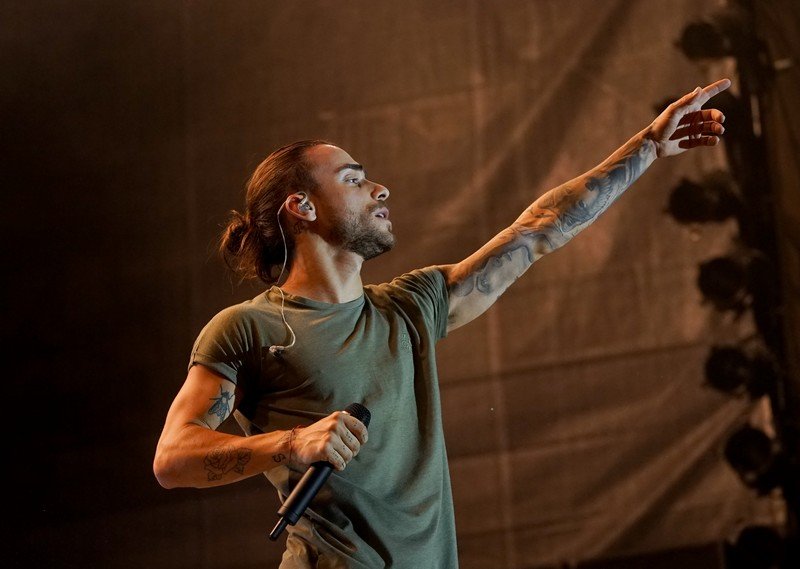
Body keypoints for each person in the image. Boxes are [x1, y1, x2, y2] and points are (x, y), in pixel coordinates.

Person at [153, 78, 731, 568]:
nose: (380, 188)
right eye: (352, 179)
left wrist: (648, 148)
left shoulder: (409, 307)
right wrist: (291, 443)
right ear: (301, 206)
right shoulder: (249, 329)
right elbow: (173, 458)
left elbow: (537, 230)